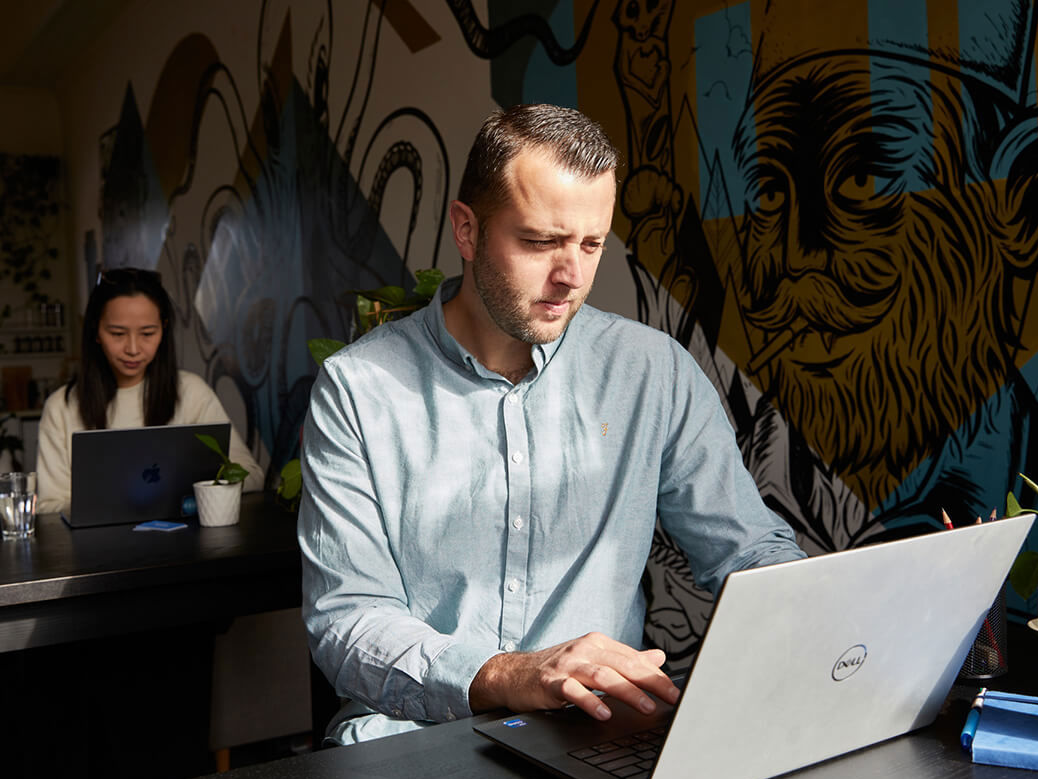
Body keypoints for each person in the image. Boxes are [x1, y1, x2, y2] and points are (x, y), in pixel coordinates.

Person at [299, 104, 805, 745]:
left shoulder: (653, 372)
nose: (571, 278)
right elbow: (349, 620)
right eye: (540, 242)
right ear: (467, 229)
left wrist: (819, 620)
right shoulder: (358, 390)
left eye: (591, 244)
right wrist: (509, 674)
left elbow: (749, 550)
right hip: (415, 740)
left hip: (594, 736)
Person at [37, 267, 264, 514]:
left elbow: (250, 475)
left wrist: (194, 494)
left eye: (147, 333)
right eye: (117, 333)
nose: (133, 348)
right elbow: (50, 507)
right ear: (96, 331)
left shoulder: (191, 393)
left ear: (163, 329)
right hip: (95, 551)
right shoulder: (62, 407)